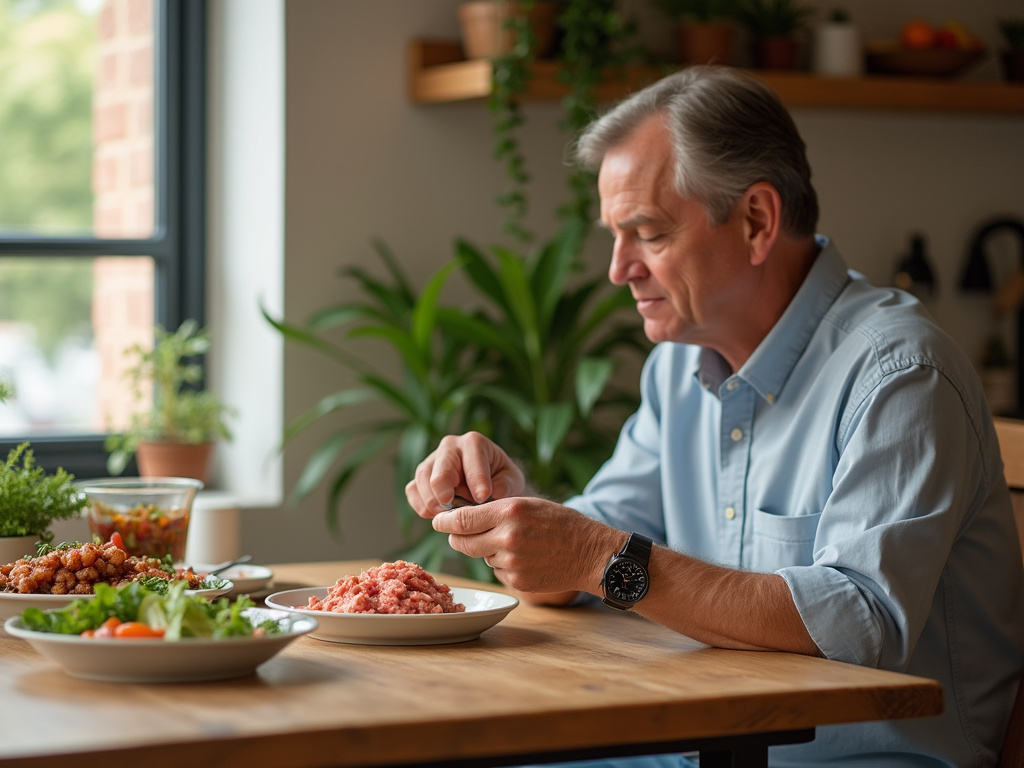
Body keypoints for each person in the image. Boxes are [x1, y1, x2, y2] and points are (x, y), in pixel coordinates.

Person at [405, 66, 1024, 767]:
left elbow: (859, 623)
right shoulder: (679, 365)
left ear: (757, 221)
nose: (618, 270)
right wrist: (512, 515)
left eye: (646, 233)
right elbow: (593, 551)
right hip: (699, 743)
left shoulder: (901, 373)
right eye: (615, 236)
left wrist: (593, 555)